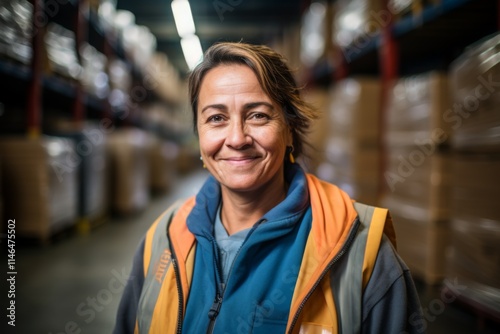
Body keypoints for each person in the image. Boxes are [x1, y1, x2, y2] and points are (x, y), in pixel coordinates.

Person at [113, 42, 423, 334]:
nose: (236, 138)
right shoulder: (163, 239)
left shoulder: (361, 251)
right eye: (217, 118)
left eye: (258, 115)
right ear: (199, 136)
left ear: (290, 130)